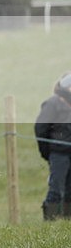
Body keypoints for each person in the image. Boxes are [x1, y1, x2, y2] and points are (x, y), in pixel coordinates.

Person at [34, 73, 71, 220]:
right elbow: (41, 129)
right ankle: (49, 221)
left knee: (69, 191)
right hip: (59, 154)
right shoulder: (53, 103)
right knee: (56, 190)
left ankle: (67, 221)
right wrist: (47, 152)